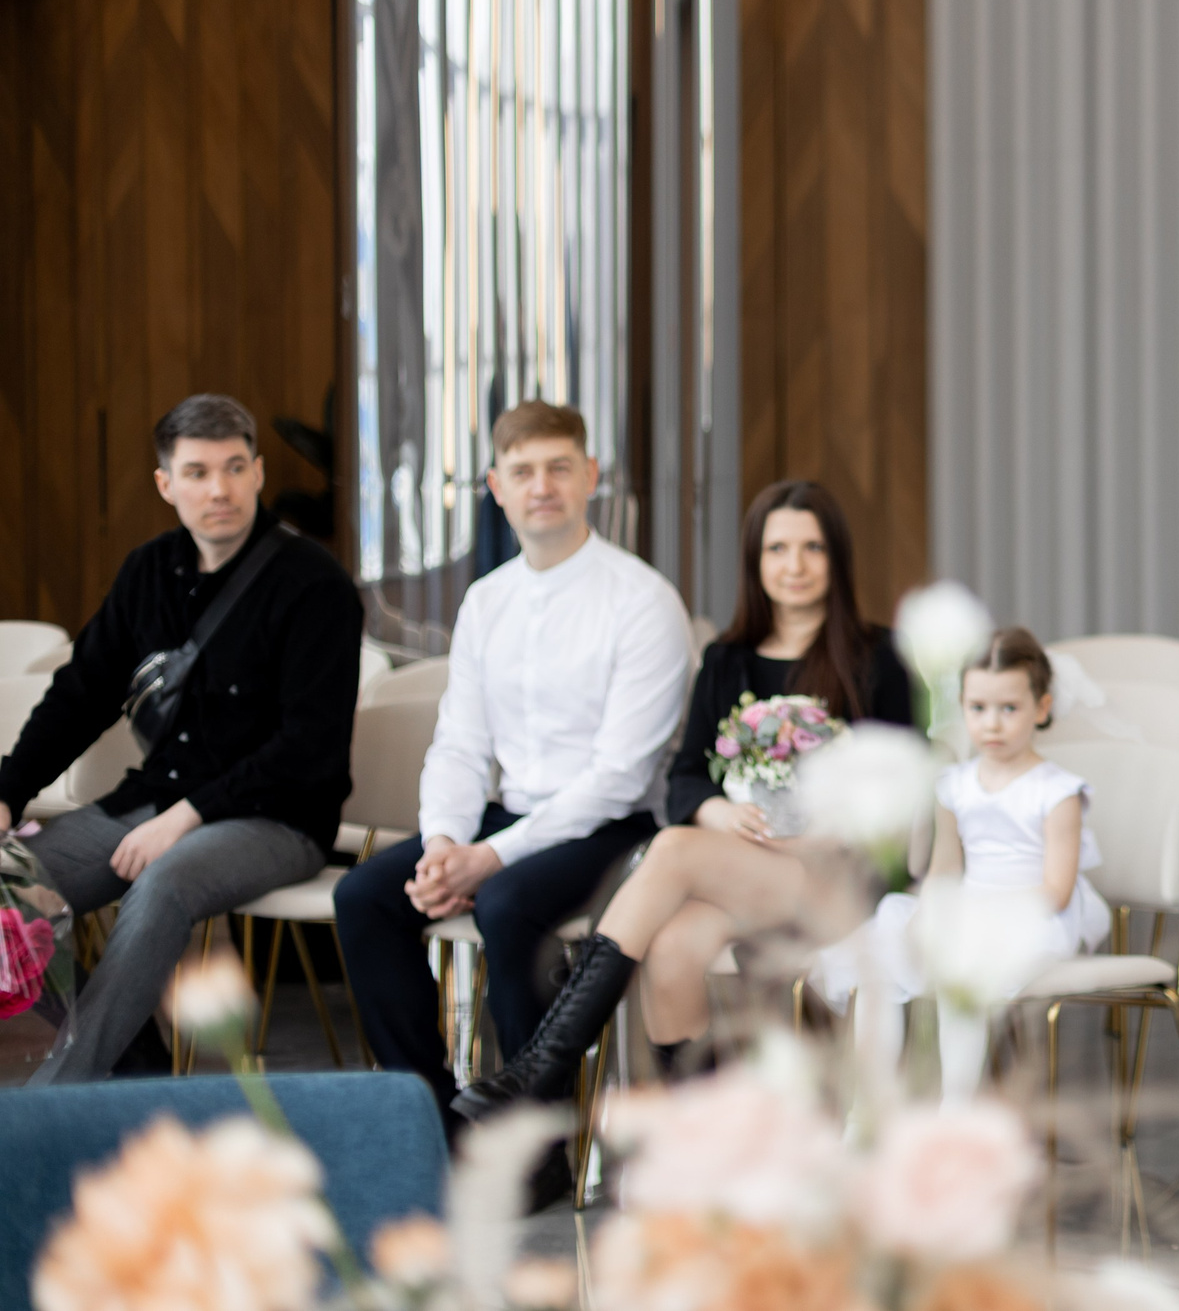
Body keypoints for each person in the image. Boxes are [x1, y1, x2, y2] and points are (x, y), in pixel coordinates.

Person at [448, 478, 911, 1121]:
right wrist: (719, 811)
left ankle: (543, 1066)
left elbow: (903, 787)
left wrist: (818, 830)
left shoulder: (879, 657)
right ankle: (710, 1136)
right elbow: (686, 778)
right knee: (670, 951)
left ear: (837, 560)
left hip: (840, 872)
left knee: (670, 849)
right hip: (747, 868)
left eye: (812, 548)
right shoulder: (727, 660)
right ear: (756, 561)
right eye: (778, 549)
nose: (795, 565)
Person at [334, 401, 692, 1144]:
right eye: (523, 471)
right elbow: (460, 743)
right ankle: (432, 1119)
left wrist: (486, 858)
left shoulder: (644, 601)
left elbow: (620, 776)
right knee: (365, 895)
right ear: (496, 485)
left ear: (590, 475)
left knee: (506, 902)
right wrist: (442, 842)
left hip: (614, 825)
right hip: (509, 813)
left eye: (560, 466)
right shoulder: (487, 599)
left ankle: (538, 1144)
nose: (542, 485)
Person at [0, 394, 361, 1083]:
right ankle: (132, 1068)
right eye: (197, 472)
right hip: (154, 803)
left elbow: (306, 747)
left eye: (233, 467)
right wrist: (9, 791)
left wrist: (188, 817)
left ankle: (54, 1097)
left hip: (276, 818)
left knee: (163, 884)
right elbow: (80, 695)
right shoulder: (147, 571)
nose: (218, 488)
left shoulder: (315, 585)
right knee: (10, 884)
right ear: (167, 483)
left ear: (257, 472)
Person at [816, 627, 1108, 1104]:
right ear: (962, 706)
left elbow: (1055, 889)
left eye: (1009, 709)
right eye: (978, 709)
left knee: (961, 968)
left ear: (1042, 707)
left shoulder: (1057, 792)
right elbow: (944, 870)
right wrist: (928, 913)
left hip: (1032, 915)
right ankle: (869, 1105)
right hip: (968, 902)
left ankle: (955, 1108)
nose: (992, 724)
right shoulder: (953, 785)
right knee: (881, 958)